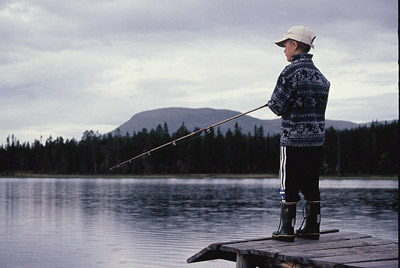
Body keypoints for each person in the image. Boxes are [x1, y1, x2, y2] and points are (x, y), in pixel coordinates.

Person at [267, 25, 330, 242]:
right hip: (315, 140)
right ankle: (313, 228)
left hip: (292, 139)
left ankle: (286, 230)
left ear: (295, 45)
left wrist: (272, 103)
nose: (284, 50)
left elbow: (276, 106)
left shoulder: (290, 72)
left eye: (285, 45)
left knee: (289, 183)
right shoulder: (320, 77)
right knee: (311, 183)